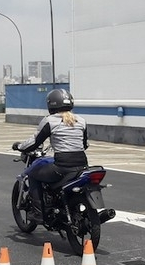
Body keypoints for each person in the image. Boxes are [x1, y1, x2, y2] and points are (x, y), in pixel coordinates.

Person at [12, 88, 88, 221]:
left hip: (62, 167)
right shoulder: (81, 121)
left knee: (33, 174)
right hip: (82, 166)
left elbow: (35, 142)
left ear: (51, 104)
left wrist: (19, 146)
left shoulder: (50, 121)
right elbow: (85, 144)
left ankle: (38, 214)